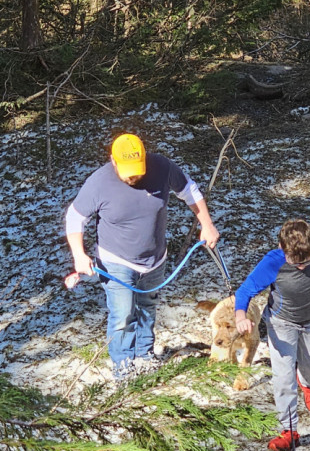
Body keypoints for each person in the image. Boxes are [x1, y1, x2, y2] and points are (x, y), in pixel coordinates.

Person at [65, 133, 220, 379]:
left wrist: (207, 224)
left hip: (155, 259)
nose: (134, 176)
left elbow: (190, 191)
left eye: (138, 169)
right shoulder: (99, 182)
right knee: (123, 313)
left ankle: (144, 355)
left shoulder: (162, 167)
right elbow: (75, 217)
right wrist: (79, 255)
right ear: (113, 162)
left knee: (147, 307)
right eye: (127, 171)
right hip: (116, 260)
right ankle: (123, 365)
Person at [234, 219, 310, 451]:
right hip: (282, 324)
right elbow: (244, 291)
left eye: (308, 260)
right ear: (283, 250)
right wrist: (241, 316)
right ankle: (288, 431)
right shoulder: (272, 262)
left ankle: (308, 382)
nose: (302, 266)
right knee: (282, 377)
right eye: (296, 262)